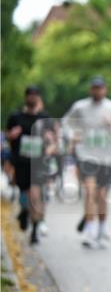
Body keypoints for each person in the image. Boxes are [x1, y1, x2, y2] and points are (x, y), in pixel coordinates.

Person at [62, 76, 111, 249]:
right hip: (86, 155)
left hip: (107, 157)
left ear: (105, 89)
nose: (97, 91)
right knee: (90, 192)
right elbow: (65, 123)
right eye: (94, 88)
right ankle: (89, 231)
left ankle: (102, 227)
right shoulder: (80, 107)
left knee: (102, 195)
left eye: (100, 88)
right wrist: (71, 135)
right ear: (90, 89)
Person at [5, 86, 55, 245]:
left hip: (38, 162)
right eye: (30, 95)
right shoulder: (16, 117)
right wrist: (11, 136)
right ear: (25, 97)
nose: (32, 98)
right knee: (24, 196)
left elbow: (54, 140)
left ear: (39, 98)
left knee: (35, 195)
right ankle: (24, 212)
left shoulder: (44, 117)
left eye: (35, 95)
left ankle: (34, 229)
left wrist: (49, 144)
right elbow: (6, 137)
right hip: (21, 162)